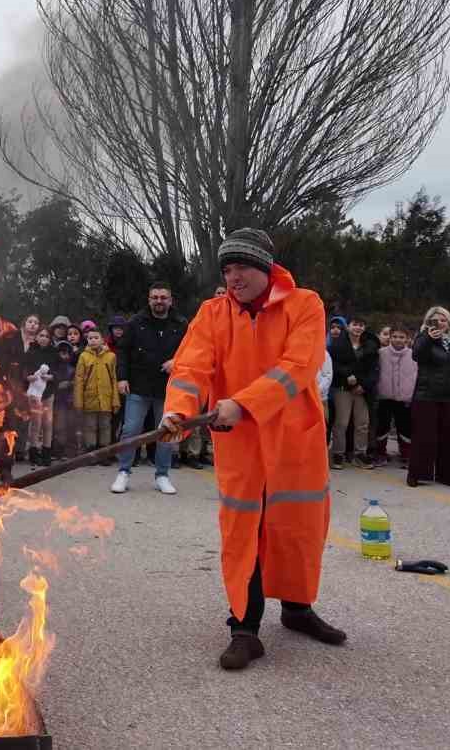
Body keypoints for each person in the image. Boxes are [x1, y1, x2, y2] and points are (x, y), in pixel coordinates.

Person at [161, 228, 344, 671]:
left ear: (263, 267)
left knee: (298, 527)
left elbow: (299, 367)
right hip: (240, 445)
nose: (232, 276)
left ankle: (298, 610)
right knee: (243, 532)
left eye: (241, 266)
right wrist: (178, 412)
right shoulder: (212, 313)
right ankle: (244, 627)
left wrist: (244, 404)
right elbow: (190, 368)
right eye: (226, 268)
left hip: (294, 438)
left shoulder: (306, 305)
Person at [114, 284, 187, 495]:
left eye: (163, 297)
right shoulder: (136, 322)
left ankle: (162, 475)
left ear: (170, 300)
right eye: (155, 297)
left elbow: (193, 349)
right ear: (149, 300)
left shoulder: (181, 324)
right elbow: (123, 351)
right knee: (131, 429)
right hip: (138, 385)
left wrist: (177, 360)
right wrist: (122, 378)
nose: (159, 301)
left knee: (166, 431)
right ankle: (124, 472)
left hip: (168, 388)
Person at [408, 307, 450, 488]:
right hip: (427, 394)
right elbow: (416, 355)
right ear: (427, 323)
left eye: (443, 320)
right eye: (434, 320)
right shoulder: (423, 339)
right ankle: (418, 475)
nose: (439, 323)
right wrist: (428, 338)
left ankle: (448, 475)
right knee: (424, 436)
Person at [328, 318, 379, 470]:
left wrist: (363, 385)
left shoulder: (370, 345)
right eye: (355, 324)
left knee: (362, 423)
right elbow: (333, 365)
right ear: (348, 326)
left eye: (361, 325)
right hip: (343, 388)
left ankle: (360, 454)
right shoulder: (337, 344)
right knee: (341, 423)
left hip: (362, 391)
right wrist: (347, 375)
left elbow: (373, 369)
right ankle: (338, 453)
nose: (358, 327)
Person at [371, 326, 417, 466]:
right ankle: (380, 454)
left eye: (402, 337)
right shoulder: (380, 353)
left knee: (405, 427)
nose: (398, 339)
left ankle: (406, 454)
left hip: (405, 398)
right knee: (382, 426)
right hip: (384, 396)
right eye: (395, 336)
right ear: (390, 338)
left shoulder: (414, 355)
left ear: (407, 339)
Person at [22, 328, 57, 466]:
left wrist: (51, 376)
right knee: (35, 423)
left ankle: (47, 452)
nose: (44, 338)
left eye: (47, 336)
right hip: (34, 393)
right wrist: (27, 377)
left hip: (48, 392)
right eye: (41, 335)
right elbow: (24, 370)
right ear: (36, 337)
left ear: (50, 339)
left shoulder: (53, 353)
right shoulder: (30, 352)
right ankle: (33, 451)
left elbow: (58, 371)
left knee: (47, 422)